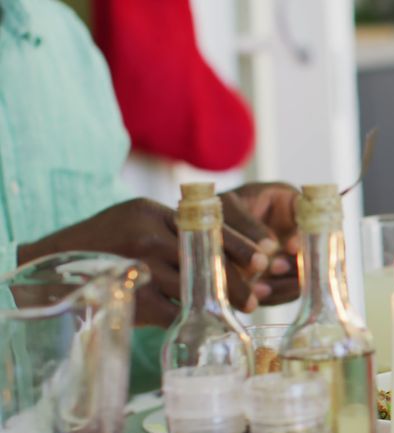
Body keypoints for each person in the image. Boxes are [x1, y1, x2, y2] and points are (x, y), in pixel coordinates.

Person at [0, 0, 300, 393]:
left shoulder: (59, 38)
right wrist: (36, 282)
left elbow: (130, 358)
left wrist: (196, 265)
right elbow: (62, 277)